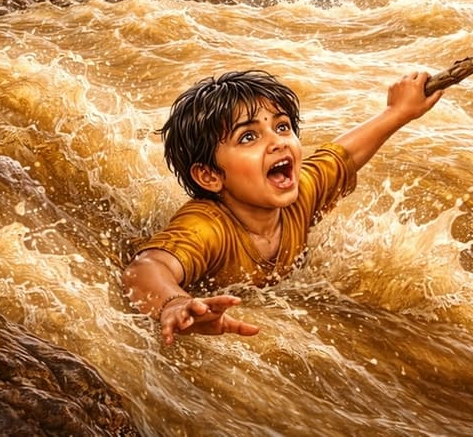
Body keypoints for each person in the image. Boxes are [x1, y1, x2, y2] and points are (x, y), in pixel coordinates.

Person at [123, 69, 442, 345]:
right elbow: (146, 268)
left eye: (282, 126)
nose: (277, 142)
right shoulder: (206, 227)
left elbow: (343, 155)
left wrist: (398, 112)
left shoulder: (299, 192)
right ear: (209, 175)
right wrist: (174, 304)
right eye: (248, 137)